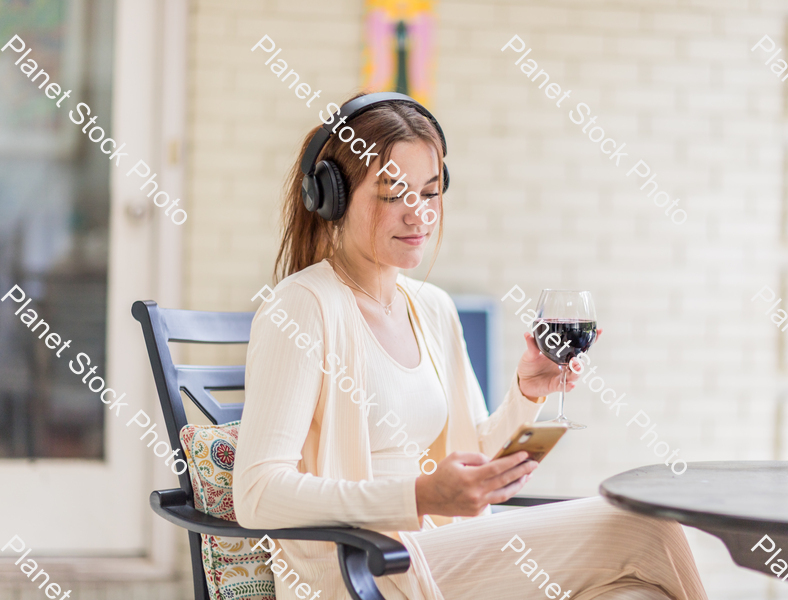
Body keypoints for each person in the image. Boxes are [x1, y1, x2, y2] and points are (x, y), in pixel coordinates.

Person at [232, 92, 708, 600]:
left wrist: (527, 394)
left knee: (636, 594)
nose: (419, 216)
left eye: (431, 193)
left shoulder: (433, 308)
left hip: (442, 550)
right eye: (394, 193)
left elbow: (471, 458)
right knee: (646, 527)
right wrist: (414, 495)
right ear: (333, 197)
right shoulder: (302, 307)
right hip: (364, 569)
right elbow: (257, 495)